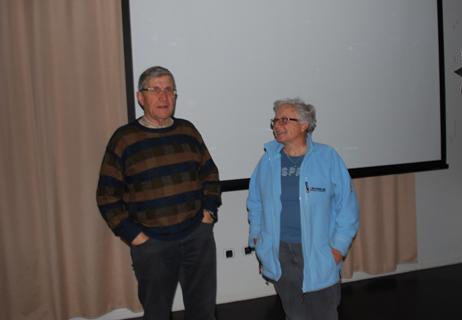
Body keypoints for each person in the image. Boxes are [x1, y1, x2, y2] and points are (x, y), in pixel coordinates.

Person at [96, 66, 221, 320]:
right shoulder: (124, 139)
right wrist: (134, 235)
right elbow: (107, 196)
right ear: (140, 97)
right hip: (152, 245)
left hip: (197, 238)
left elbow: (210, 174)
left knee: (203, 312)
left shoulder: (188, 131)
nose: (164, 97)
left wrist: (208, 212)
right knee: (157, 314)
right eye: (155, 90)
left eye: (169, 90)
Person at [246, 98, 359, 320]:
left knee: (323, 314)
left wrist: (337, 249)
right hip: (280, 252)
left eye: (285, 119)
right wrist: (259, 241)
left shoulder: (327, 158)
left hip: (318, 252)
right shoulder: (268, 161)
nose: (277, 125)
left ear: (305, 124)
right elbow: (255, 203)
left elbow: (347, 207)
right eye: (275, 120)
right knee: (294, 314)